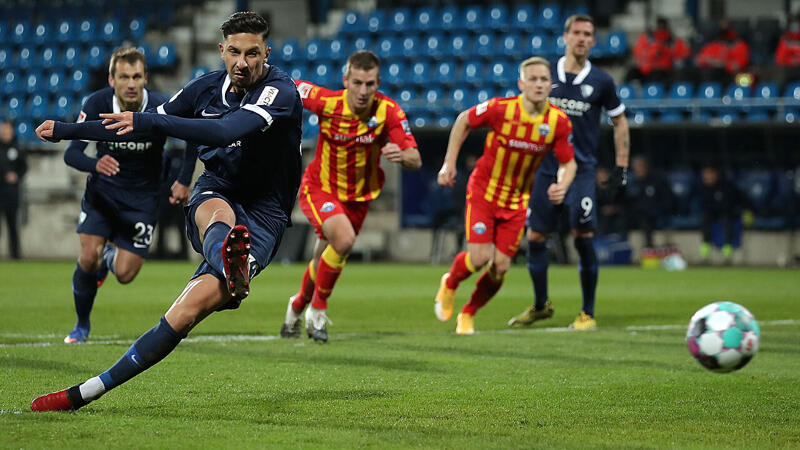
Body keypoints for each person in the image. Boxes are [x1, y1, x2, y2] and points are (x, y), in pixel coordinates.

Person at [30, 11, 303, 411]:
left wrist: (153, 121)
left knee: (186, 313)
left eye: (252, 53)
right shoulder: (204, 88)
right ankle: (232, 263)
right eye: (234, 52)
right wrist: (68, 130)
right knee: (217, 214)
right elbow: (134, 123)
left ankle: (87, 391)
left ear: (267, 52)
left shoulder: (279, 91)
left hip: (265, 213)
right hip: (218, 191)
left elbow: (226, 131)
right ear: (221, 50)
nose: (242, 62)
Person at [281, 50, 421, 343]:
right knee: (343, 241)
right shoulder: (327, 102)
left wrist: (402, 156)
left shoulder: (389, 111)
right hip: (321, 188)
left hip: (359, 197)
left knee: (323, 257)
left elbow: (415, 158)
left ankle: (296, 306)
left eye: (370, 84)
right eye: (357, 82)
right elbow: (285, 85)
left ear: (378, 82)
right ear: (346, 80)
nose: (363, 91)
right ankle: (317, 311)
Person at [59, 47, 195, 344]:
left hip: (143, 198)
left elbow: (192, 137)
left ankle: (108, 258)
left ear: (145, 77)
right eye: (124, 77)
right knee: (86, 256)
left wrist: (184, 180)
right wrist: (95, 163)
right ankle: (81, 326)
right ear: (112, 79)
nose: (131, 83)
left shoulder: (161, 106)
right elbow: (72, 153)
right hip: (103, 193)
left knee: (125, 273)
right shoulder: (96, 103)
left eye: (136, 76)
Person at [434, 56, 577, 335]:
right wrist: (449, 163)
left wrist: (563, 183)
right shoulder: (501, 109)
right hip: (484, 192)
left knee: (500, 267)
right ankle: (450, 281)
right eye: (533, 79)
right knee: (478, 259)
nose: (538, 84)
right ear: (521, 83)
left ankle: (468, 313)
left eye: (543, 79)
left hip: (517, 201)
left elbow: (568, 163)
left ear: (551, 84)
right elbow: (464, 120)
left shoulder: (558, 122)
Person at [509, 14, 630, 331]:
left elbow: (620, 121)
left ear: (593, 40)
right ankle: (540, 305)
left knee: (583, 235)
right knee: (536, 236)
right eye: (576, 32)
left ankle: (587, 312)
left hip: (582, 172)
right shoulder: (545, 75)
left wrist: (621, 165)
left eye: (588, 33)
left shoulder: (602, 81)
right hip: (544, 170)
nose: (581, 38)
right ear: (565, 37)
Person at [699, 165, 746, 264]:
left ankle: (727, 253)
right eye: (705, 175)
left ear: (715, 174)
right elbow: (705, 206)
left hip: (728, 213)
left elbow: (733, 203)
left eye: (708, 174)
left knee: (727, 219)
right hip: (713, 214)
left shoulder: (726, 186)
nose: (706, 177)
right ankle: (705, 253)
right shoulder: (704, 188)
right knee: (705, 219)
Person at [625, 155, 672, 247]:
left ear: (646, 167)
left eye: (640, 168)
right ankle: (621, 247)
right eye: (636, 169)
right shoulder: (634, 183)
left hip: (655, 213)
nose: (638, 171)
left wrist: (658, 209)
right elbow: (629, 202)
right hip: (638, 214)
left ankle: (649, 247)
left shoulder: (658, 181)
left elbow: (667, 199)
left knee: (645, 219)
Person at [627, 16, 690, 83]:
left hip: (662, 70)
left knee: (657, 75)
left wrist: (665, 52)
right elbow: (638, 52)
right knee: (632, 72)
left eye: (662, 25)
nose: (660, 28)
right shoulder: (646, 39)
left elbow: (684, 54)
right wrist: (650, 55)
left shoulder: (673, 41)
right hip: (645, 69)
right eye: (659, 25)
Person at [0, 120, 27, 259]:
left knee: (12, 225)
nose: (5, 133)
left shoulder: (17, 147)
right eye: (3, 130)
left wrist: (16, 176)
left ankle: (15, 255)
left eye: (7, 130)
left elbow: (24, 167)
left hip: (12, 192)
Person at [695, 18, 750, 83]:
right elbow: (699, 60)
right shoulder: (713, 45)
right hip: (712, 74)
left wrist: (723, 64)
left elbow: (737, 65)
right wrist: (713, 62)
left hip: (729, 75)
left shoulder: (741, 46)